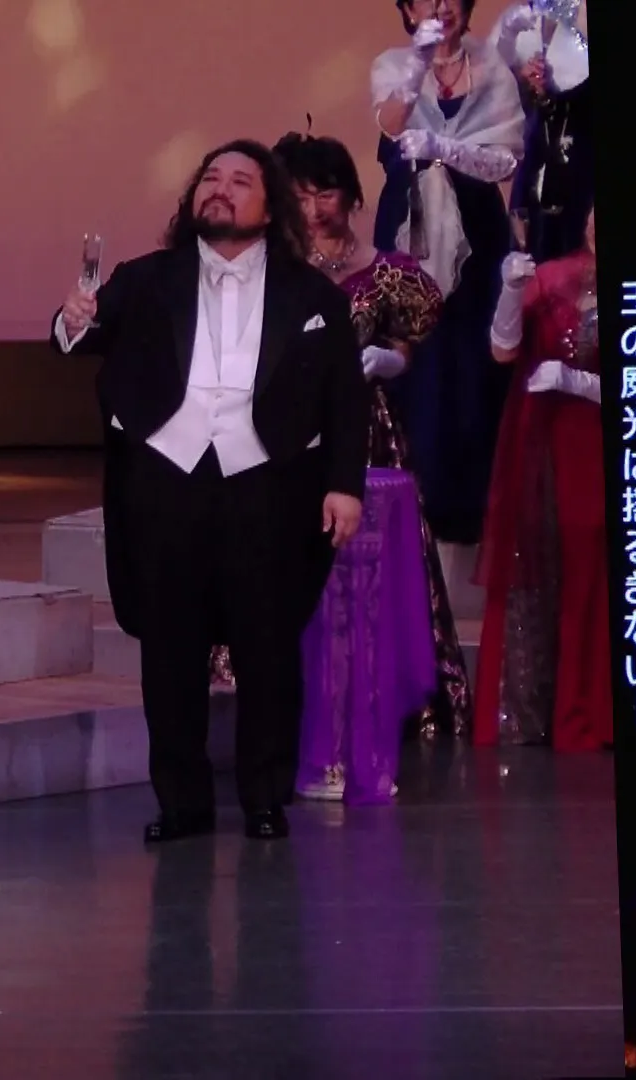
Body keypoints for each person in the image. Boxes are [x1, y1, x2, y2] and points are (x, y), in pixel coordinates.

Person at [54, 140, 370, 842]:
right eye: (211, 178)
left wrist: (343, 485)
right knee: (170, 651)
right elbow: (82, 331)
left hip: (267, 484)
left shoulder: (312, 295)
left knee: (268, 648)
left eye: (239, 180)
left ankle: (265, 798)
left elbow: (344, 398)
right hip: (167, 481)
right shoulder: (147, 278)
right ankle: (182, 803)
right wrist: (71, 322)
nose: (220, 189)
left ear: (271, 206)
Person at [271, 133, 469, 801]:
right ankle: (300, 708)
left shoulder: (388, 273)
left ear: (352, 197)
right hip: (289, 433)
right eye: (299, 194)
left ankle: (375, 702)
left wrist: (390, 359)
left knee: (367, 576)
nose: (312, 208)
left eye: (324, 193)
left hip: (367, 434)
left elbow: (409, 343)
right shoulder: (274, 269)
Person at [370, 0, 524, 546]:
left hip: (478, 227)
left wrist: (446, 149)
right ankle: (415, 502)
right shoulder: (391, 63)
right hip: (411, 220)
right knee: (418, 354)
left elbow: (506, 160)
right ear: (408, 9)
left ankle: (475, 509)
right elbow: (390, 126)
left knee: (474, 358)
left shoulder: (493, 65)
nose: (442, 6)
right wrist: (419, 61)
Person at [473, 206, 608, 751]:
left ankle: (592, 709)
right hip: (547, 447)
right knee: (545, 568)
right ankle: (535, 711)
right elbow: (503, 348)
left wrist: (581, 383)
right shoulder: (553, 277)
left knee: (595, 575)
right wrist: (510, 292)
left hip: (610, 447)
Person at [491, 2, 592, 261]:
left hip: (583, 157)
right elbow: (488, 88)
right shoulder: (514, 19)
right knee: (530, 260)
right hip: (535, 161)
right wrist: (519, 78)